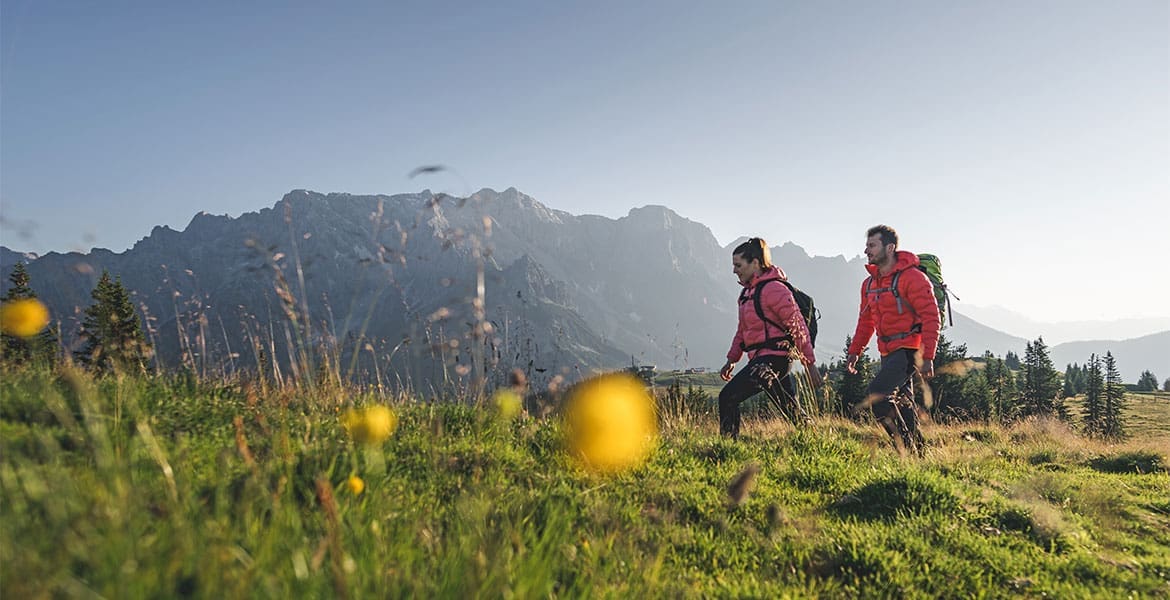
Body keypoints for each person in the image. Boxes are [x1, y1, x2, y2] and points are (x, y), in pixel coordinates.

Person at [846, 224, 940, 453]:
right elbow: (866, 321)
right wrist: (855, 351)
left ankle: (904, 448)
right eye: (866, 245)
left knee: (877, 396)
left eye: (872, 245)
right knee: (903, 404)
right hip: (887, 350)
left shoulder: (912, 278)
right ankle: (918, 455)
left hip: (910, 349)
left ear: (889, 248)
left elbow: (931, 316)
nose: (866, 251)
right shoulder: (868, 284)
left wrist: (928, 356)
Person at [719, 237, 822, 438]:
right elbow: (743, 330)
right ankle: (815, 440)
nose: (734, 270)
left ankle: (727, 448)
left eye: (738, 265)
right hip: (761, 359)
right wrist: (731, 360)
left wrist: (809, 363)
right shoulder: (746, 294)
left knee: (728, 397)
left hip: (775, 359)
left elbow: (797, 326)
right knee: (790, 408)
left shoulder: (774, 289)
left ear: (755, 263)